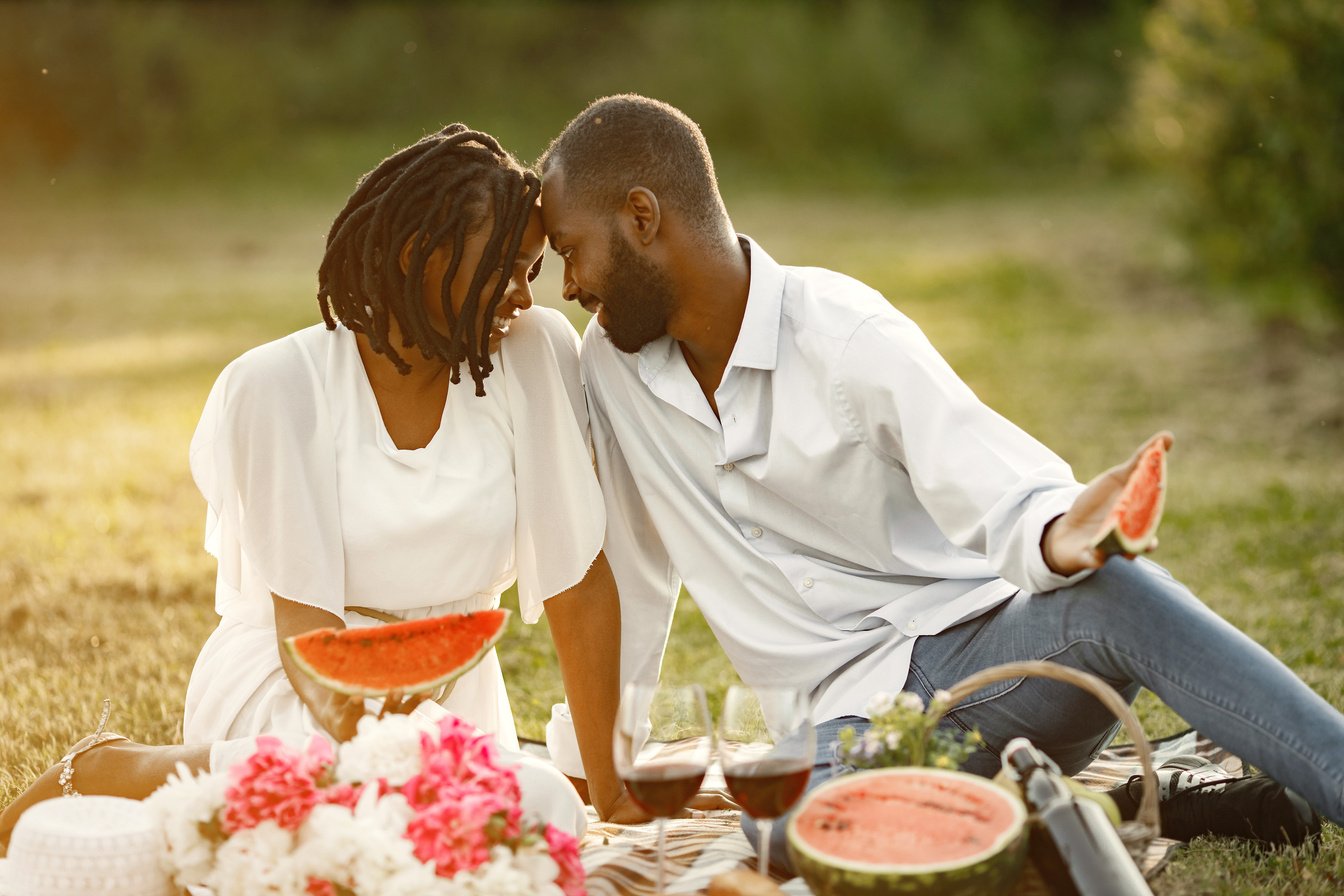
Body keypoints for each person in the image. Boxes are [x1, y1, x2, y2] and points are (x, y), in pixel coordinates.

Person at [536, 95, 1342, 868]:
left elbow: (997, 480)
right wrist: (606, 759)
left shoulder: (845, 335)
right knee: (782, 828)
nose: (569, 285)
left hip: (986, 668)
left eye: (572, 250)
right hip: (840, 728)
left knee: (1123, 592)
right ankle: (1104, 810)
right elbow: (633, 571)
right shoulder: (614, 370)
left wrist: (1065, 534)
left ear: (642, 218)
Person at [1, 124, 641, 852]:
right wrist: (385, 764)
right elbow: (308, 633)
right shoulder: (277, 386)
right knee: (361, 822)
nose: (525, 297)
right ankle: (118, 766)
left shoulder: (534, 353)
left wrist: (612, 793)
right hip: (296, 688)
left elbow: (578, 584)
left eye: (531, 269)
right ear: (416, 255)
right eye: (504, 269)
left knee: (540, 815)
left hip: (453, 696)